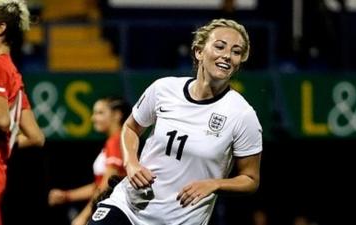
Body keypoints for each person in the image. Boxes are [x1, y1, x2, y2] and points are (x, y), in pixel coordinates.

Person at [89, 18, 263, 225]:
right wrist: (132, 164)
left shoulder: (242, 114)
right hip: (128, 207)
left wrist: (214, 184)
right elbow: (130, 128)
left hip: (179, 220)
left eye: (236, 51)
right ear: (199, 52)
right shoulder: (163, 89)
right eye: (220, 46)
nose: (227, 55)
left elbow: (250, 179)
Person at [0, 1, 45, 225]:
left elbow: (1, 118)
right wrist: (4, 143)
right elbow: (36, 137)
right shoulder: (12, 73)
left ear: (0, 28)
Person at [48, 97, 130, 225]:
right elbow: (99, 185)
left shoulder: (116, 141)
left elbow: (106, 185)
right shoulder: (115, 141)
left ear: (117, 115)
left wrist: (83, 217)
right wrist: (67, 195)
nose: (93, 118)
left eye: (100, 113)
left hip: (114, 211)